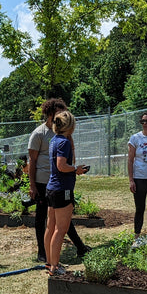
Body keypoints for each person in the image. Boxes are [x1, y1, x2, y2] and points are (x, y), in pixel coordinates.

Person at [27, 97, 90, 263]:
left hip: (58, 183)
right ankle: (44, 254)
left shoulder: (60, 134)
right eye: (60, 112)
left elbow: (68, 157)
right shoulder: (39, 134)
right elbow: (32, 162)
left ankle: (77, 248)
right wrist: (32, 185)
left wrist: (73, 167)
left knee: (59, 220)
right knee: (45, 220)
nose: (64, 115)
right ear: (50, 114)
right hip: (44, 182)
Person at [45, 110, 89, 275]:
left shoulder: (54, 140)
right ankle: (55, 268)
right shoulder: (63, 142)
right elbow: (61, 166)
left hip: (51, 189)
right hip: (62, 189)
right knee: (61, 229)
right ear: (70, 125)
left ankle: (49, 263)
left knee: (50, 227)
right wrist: (76, 170)